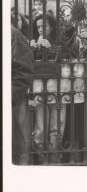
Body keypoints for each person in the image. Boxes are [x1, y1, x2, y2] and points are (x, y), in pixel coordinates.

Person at [29, 13, 66, 163]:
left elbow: (67, 58)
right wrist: (30, 49)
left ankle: (54, 155)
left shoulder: (60, 41)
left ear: (51, 27)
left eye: (43, 26)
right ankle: (41, 157)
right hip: (39, 88)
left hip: (57, 89)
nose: (40, 30)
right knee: (40, 127)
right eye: (37, 27)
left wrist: (51, 48)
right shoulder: (32, 42)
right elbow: (26, 64)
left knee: (57, 126)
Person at [12, 26, 34, 165]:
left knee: (18, 150)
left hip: (12, 102)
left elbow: (23, 72)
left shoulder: (12, 34)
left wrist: (9, 96)